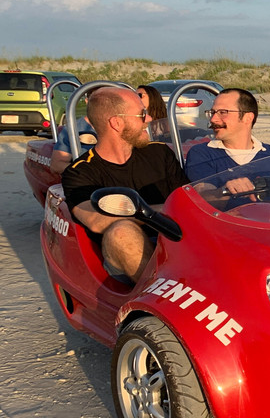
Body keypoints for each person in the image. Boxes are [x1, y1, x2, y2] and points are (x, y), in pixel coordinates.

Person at [62, 87, 188, 282]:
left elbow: (186, 197)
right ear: (117, 123)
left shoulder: (160, 153)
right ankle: (161, 298)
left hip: (174, 240)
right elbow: (97, 221)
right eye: (142, 114)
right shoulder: (79, 172)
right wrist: (163, 211)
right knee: (121, 232)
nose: (149, 119)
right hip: (126, 255)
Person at [184, 88, 270, 194]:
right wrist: (224, 191)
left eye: (223, 112)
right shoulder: (202, 153)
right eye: (212, 112)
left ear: (248, 118)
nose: (213, 119)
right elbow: (203, 194)